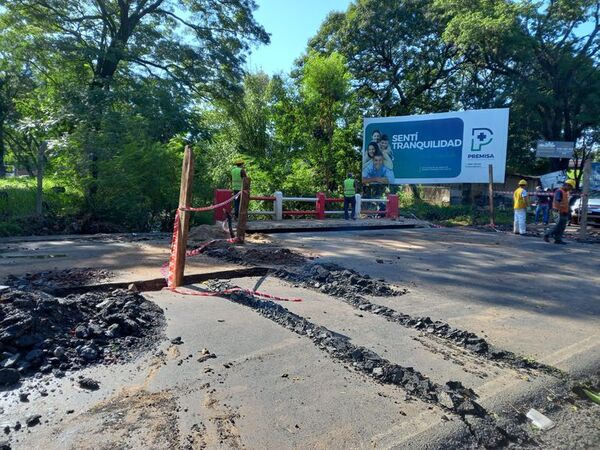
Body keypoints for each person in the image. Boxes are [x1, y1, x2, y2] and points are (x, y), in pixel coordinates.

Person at [544, 179, 575, 244]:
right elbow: (557, 202)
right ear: (567, 185)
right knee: (557, 225)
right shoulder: (559, 191)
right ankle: (547, 234)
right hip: (557, 211)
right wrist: (560, 210)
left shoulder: (565, 192)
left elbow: (565, 203)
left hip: (564, 212)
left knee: (562, 226)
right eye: (570, 187)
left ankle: (558, 239)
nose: (570, 189)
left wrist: (568, 210)